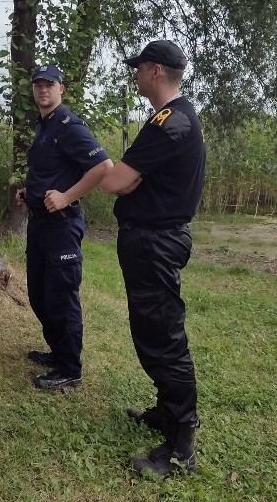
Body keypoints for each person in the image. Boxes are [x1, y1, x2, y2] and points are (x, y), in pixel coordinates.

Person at [101, 40, 205, 475]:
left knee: (163, 339)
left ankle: (182, 448)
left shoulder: (167, 122)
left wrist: (121, 173)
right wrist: (129, 178)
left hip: (155, 242)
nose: (135, 74)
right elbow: (129, 181)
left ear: (157, 71)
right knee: (152, 332)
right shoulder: (179, 117)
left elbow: (115, 183)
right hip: (154, 239)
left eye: (139, 68)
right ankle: (166, 413)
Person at [16, 64, 113, 390]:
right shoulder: (44, 126)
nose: (43, 90)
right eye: (38, 84)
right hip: (39, 224)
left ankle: (70, 369)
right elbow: (51, 170)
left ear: (61, 89)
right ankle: (59, 353)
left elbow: (104, 167)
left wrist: (67, 196)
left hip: (61, 227)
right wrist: (28, 193)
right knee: (39, 296)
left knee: (60, 298)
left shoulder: (70, 125)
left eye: (50, 84)